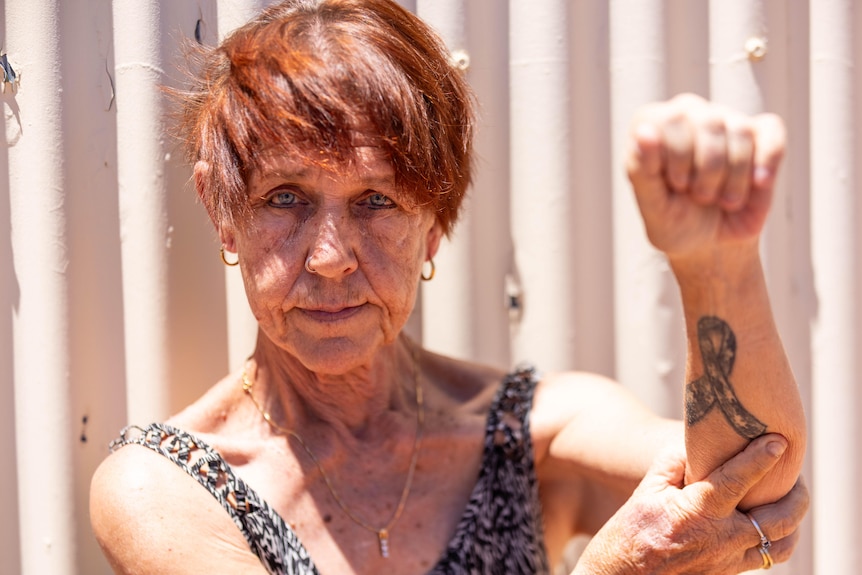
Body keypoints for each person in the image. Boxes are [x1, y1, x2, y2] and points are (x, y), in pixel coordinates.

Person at [90, 1, 808, 573]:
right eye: (285, 197)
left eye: (376, 200)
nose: (332, 255)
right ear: (223, 210)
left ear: (434, 224)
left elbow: (757, 480)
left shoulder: (526, 430)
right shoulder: (163, 488)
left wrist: (715, 264)